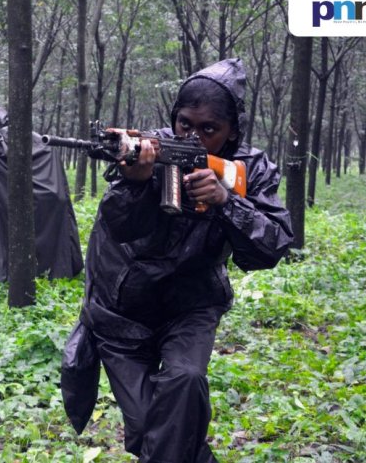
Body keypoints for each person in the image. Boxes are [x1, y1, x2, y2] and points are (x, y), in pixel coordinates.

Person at [61, 58, 294, 462]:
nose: (195, 136)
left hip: (191, 302)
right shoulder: (149, 149)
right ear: (174, 119)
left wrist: (226, 202)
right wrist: (135, 184)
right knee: (147, 429)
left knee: (185, 380)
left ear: (233, 131)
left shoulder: (250, 169)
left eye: (209, 129)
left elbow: (270, 247)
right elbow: (117, 227)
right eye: (186, 124)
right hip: (121, 309)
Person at [0, 104, 83, 282]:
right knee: (48, 239)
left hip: (38, 196)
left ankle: (36, 275)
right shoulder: (22, 134)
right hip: (51, 195)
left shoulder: (6, 137)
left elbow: (4, 169)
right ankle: (52, 273)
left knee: (34, 238)